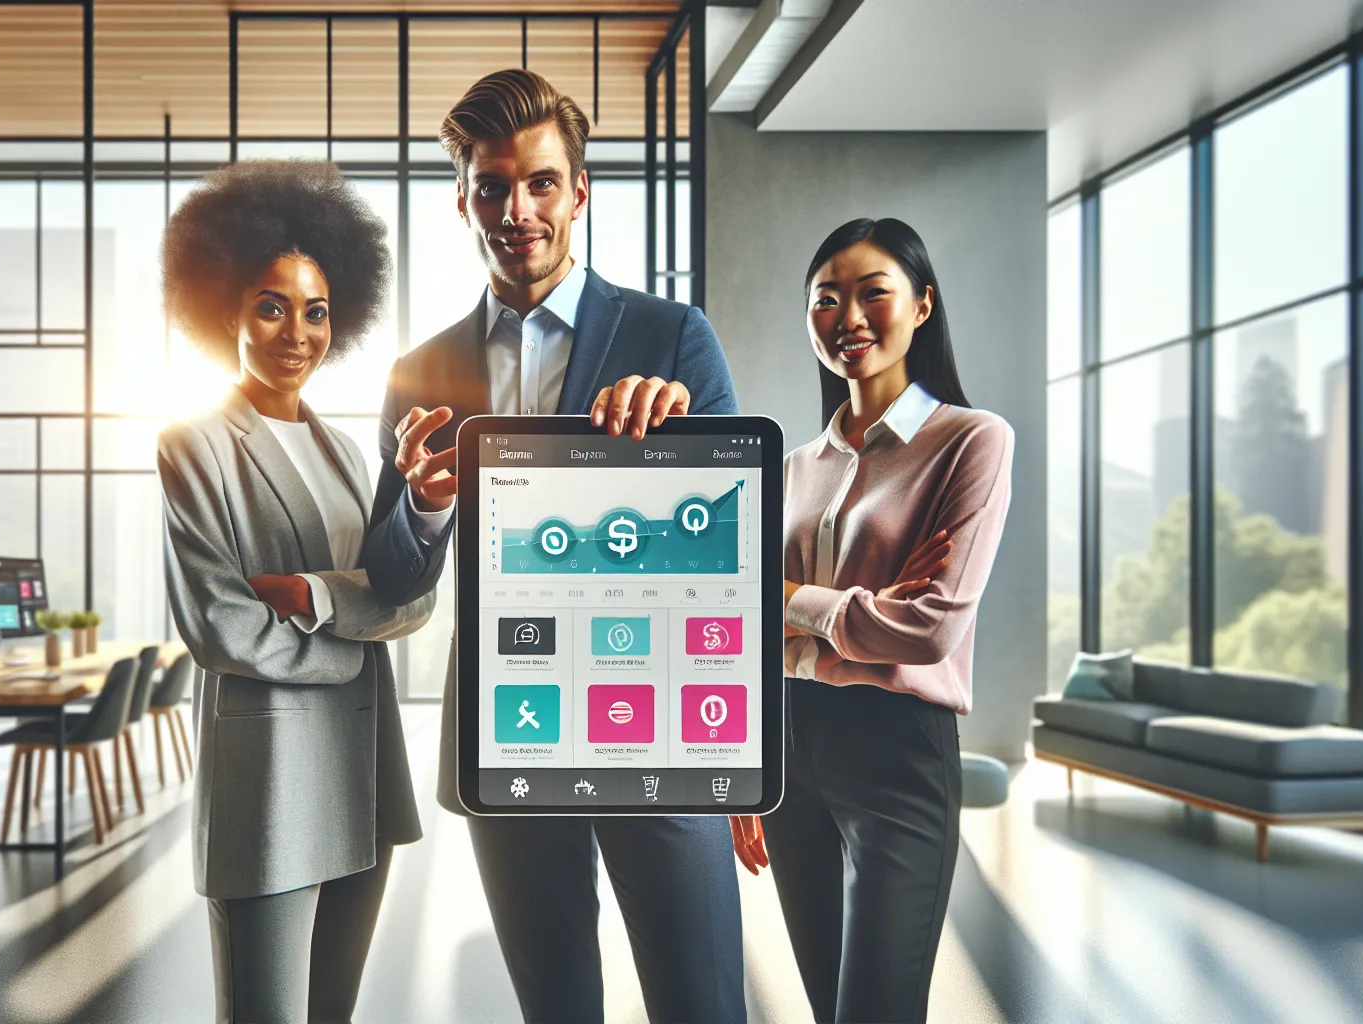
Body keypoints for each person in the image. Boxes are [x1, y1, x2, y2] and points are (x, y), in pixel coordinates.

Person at [359, 69, 746, 1024]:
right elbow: (391, 577)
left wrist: (678, 451)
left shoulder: (672, 335)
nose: (515, 209)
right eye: (491, 185)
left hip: (653, 714)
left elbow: (737, 553)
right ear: (462, 198)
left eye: (539, 183)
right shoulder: (421, 371)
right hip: (512, 720)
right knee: (556, 1008)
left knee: (701, 1005)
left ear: (578, 192)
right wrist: (426, 505)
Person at [156, 160, 434, 1024]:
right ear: (226, 309)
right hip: (270, 784)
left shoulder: (352, 457)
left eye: (316, 310)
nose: (296, 331)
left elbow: (413, 604)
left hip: (364, 777)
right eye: (271, 305)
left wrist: (314, 596)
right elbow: (220, 627)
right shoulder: (194, 446)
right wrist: (359, 631)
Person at [729, 217, 1014, 1023]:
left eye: (871, 293)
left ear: (922, 305)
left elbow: (929, 629)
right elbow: (730, 624)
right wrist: (747, 770)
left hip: (898, 754)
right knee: (828, 1006)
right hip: (785, 749)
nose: (848, 317)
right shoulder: (787, 469)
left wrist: (785, 602)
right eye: (826, 300)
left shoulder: (971, 443)